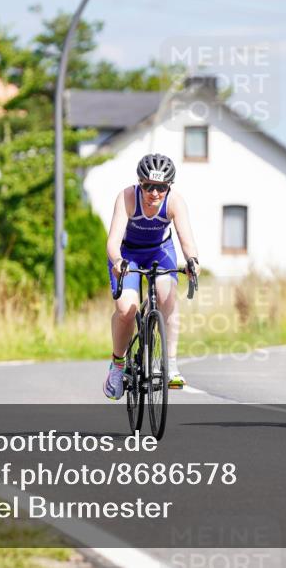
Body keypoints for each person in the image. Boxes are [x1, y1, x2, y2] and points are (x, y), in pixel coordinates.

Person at [103, 153, 200, 400]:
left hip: (160, 251)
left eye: (161, 187)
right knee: (126, 309)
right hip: (127, 254)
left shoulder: (175, 202)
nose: (154, 193)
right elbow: (113, 241)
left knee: (167, 296)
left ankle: (171, 365)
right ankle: (117, 366)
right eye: (148, 186)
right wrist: (118, 262)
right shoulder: (127, 197)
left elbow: (187, 241)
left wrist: (192, 261)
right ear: (140, 183)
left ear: (169, 186)